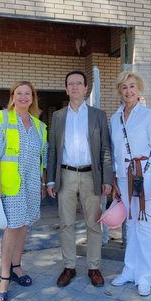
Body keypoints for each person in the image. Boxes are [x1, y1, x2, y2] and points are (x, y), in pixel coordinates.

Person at [47, 71, 113, 288]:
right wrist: (50, 180)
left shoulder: (98, 115)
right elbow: (53, 151)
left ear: (86, 88)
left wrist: (107, 179)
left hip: (90, 176)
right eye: (70, 84)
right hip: (65, 175)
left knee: (94, 223)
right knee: (66, 223)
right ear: (66, 89)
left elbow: (105, 149)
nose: (74, 87)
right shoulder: (58, 116)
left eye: (78, 83)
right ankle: (69, 266)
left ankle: (94, 268)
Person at [0, 81, 48, 301]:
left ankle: (17, 266)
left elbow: (41, 159)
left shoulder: (40, 126)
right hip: (10, 185)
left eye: (28, 94)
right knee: (11, 228)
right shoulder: (2, 120)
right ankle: (4, 278)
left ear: (33, 98)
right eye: (19, 93)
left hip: (32, 185)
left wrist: (42, 184)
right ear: (13, 96)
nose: (23, 97)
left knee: (24, 226)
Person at [109, 71, 151, 297]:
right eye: (124, 87)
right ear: (119, 92)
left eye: (132, 86)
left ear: (138, 88)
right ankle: (129, 270)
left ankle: (145, 276)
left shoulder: (148, 115)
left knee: (143, 224)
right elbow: (114, 152)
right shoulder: (115, 118)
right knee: (129, 224)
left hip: (144, 176)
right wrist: (114, 180)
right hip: (123, 176)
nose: (129, 91)